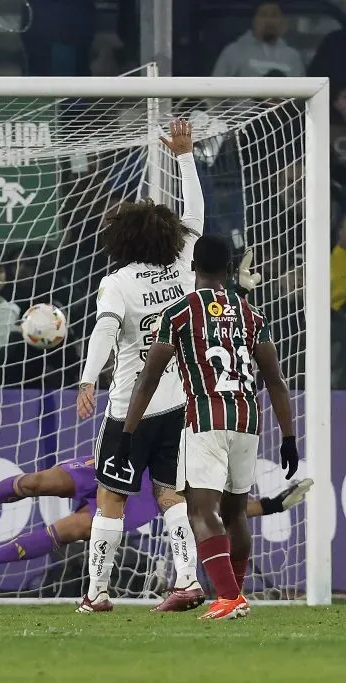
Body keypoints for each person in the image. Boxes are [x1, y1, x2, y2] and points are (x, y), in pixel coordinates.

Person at [121, 233, 298, 620]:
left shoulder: (180, 313)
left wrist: (128, 432)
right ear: (231, 268)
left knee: (200, 511)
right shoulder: (253, 315)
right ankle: (233, 595)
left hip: (205, 418)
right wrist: (288, 437)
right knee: (235, 512)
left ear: (192, 267)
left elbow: (148, 379)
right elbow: (276, 380)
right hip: (248, 420)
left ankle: (230, 597)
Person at [76, 119, 206, 613]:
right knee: (172, 495)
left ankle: (97, 593)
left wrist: (88, 377)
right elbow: (195, 214)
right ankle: (188, 581)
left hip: (131, 407)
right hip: (180, 401)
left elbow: (105, 331)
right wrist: (185, 157)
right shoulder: (182, 268)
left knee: (112, 498)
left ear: (122, 242)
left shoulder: (119, 283)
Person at [0, 459, 311, 575]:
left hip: (142, 495)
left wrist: (274, 506)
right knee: (35, 482)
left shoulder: (202, 454)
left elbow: (221, 508)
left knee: (74, 528)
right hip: (115, 460)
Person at [211, 1, 304, 78]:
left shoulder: (293, 57)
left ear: (282, 21)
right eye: (263, 15)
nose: (269, 20)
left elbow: (303, 96)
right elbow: (212, 94)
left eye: (274, 15)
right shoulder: (234, 52)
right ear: (254, 21)